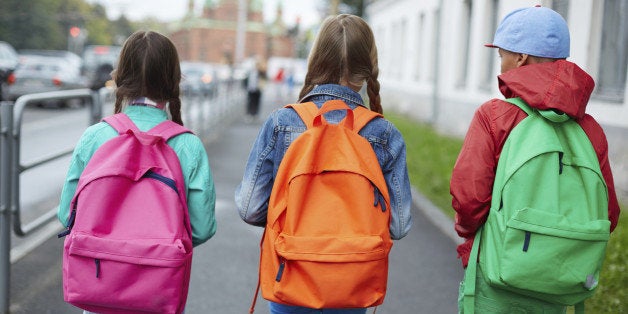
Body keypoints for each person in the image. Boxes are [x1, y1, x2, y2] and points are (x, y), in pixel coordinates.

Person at [235, 14, 413, 314]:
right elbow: (399, 225)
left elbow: (250, 208)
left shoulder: (283, 123)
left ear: (316, 59)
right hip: (352, 286)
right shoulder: (385, 134)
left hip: (290, 279)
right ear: (367, 68)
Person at [449, 6, 621, 313]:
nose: (499, 64)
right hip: (560, 285)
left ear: (520, 59)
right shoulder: (590, 130)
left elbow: (469, 199)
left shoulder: (495, 117)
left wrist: (472, 236)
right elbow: (608, 212)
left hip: (498, 277)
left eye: (501, 54)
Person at [57, 30, 217, 313]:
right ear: (174, 80)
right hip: (158, 290)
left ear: (120, 76)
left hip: (98, 285)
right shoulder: (187, 145)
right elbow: (201, 227)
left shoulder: (96, 136)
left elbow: (67, 214)